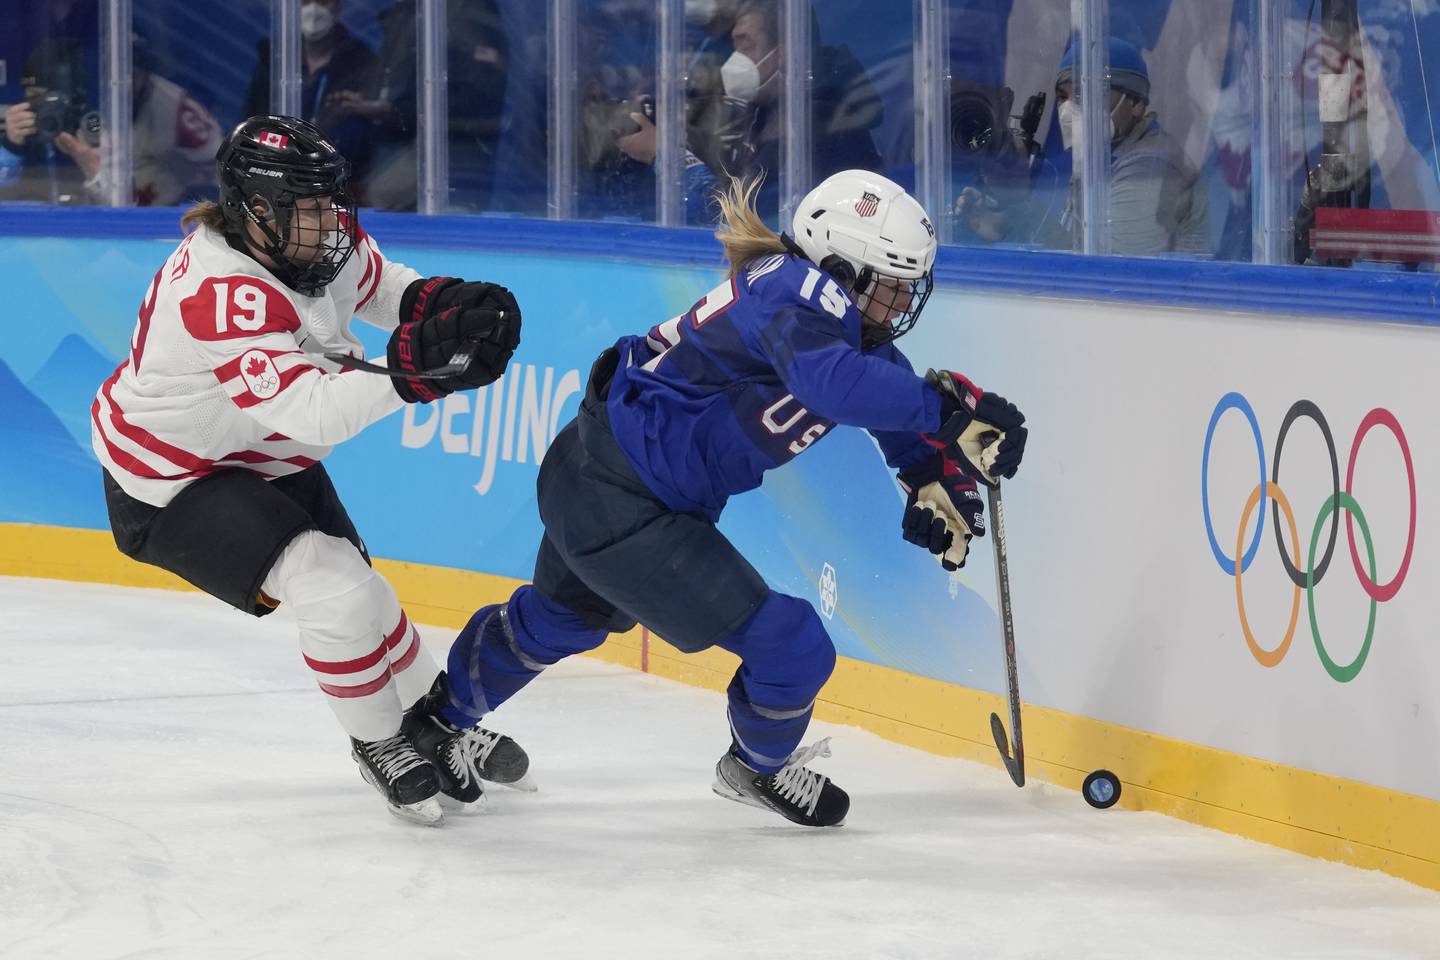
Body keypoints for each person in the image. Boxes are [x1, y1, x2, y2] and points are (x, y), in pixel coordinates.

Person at [422, 170, 1029, 827]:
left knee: (560, 618)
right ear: (840, 271)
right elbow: (833, 386)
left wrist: (930, 473)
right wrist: (948, 413)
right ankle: (755, 768)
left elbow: (881, 398)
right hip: (624, 500)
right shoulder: (798, 292)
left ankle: (434, 723)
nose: (899, 305)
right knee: (793, 645)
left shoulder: (824, 316)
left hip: (600, 473)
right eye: (888, 286)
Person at [91, 115, 527, 826]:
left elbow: (381, 285)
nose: (333, 222)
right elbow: (313, 412)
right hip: (171, 480)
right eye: (313, 206)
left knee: (367, 596)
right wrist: (419, 372)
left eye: (333, 202)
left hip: (260, 451)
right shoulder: (221, 289)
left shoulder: (304, 239)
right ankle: (379, 741)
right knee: (336, 591)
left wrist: (444, 305)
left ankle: (433, 727)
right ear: (256, 212)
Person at [957, 36, 1209, 256]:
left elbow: (1109, 273)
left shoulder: (1149, 165)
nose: (1067, 110)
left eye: (1083, 94)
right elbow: (1081, 247)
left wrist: (1026, 208)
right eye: (1062, 98)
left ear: (1135, 103)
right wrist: (1008, 222)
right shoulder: (1105, 156)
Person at [243, 0, 378, 164]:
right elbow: (251, 121)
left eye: (323, 2)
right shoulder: (274, 60)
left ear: (338, 8)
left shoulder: (360, 62)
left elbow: (361, 135)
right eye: (305, 2)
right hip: (274, 166)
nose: (313, 10)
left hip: (335, 172)